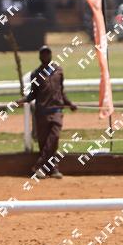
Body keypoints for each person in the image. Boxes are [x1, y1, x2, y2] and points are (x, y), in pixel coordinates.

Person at [16, 45, 77, 179]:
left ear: (51, 55)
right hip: (42, 113)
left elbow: (61, 92)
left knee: (53, 139)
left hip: (56, 111)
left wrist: (69, 103)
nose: (45, 56)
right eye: (43, 53)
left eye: (47, 53)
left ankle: (38, 166)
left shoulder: (59, 71)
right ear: (39, 56)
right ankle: (53, 169)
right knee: (44, 143)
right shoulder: (36, 74)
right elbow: (33, 95)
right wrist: (21, 100)